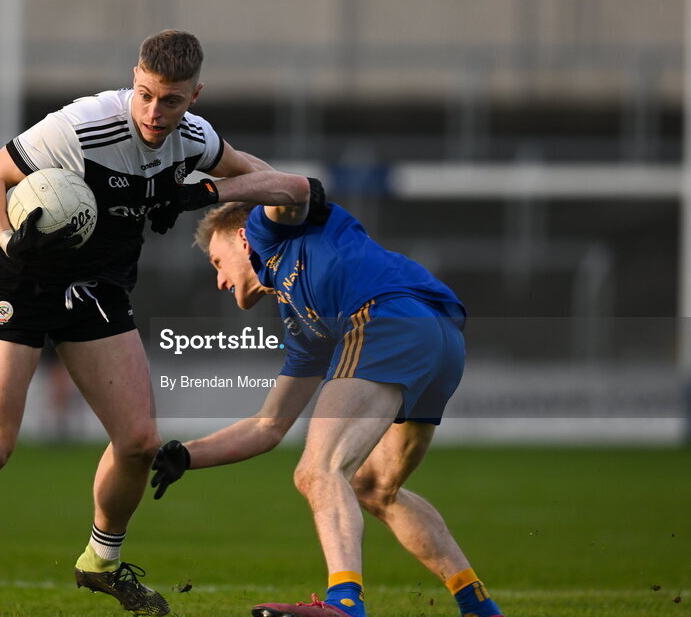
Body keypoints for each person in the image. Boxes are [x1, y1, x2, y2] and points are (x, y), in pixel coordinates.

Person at [0, 30, 299, 617]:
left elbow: (262, 177)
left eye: (172, 100)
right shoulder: (81, 126)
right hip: (23, 276)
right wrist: (10, 242)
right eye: (146, 95)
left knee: (138, 442)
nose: (155, 112)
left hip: (98, 287)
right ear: (133, 80)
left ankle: (101, 563)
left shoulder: (194, 139)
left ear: (196, 96)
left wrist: (211, 196)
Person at [149, 179, 505, 617]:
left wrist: (209, 190)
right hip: (441, 340)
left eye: (217, 261)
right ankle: (478, 605)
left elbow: (295, 192)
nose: (220, 280)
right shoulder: (302, 320)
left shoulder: (265, 229)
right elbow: (269, 425)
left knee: (317, 471)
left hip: (387, 318)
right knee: (374, 488)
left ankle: (344, 604)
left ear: (241, 237)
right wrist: (187, 455)